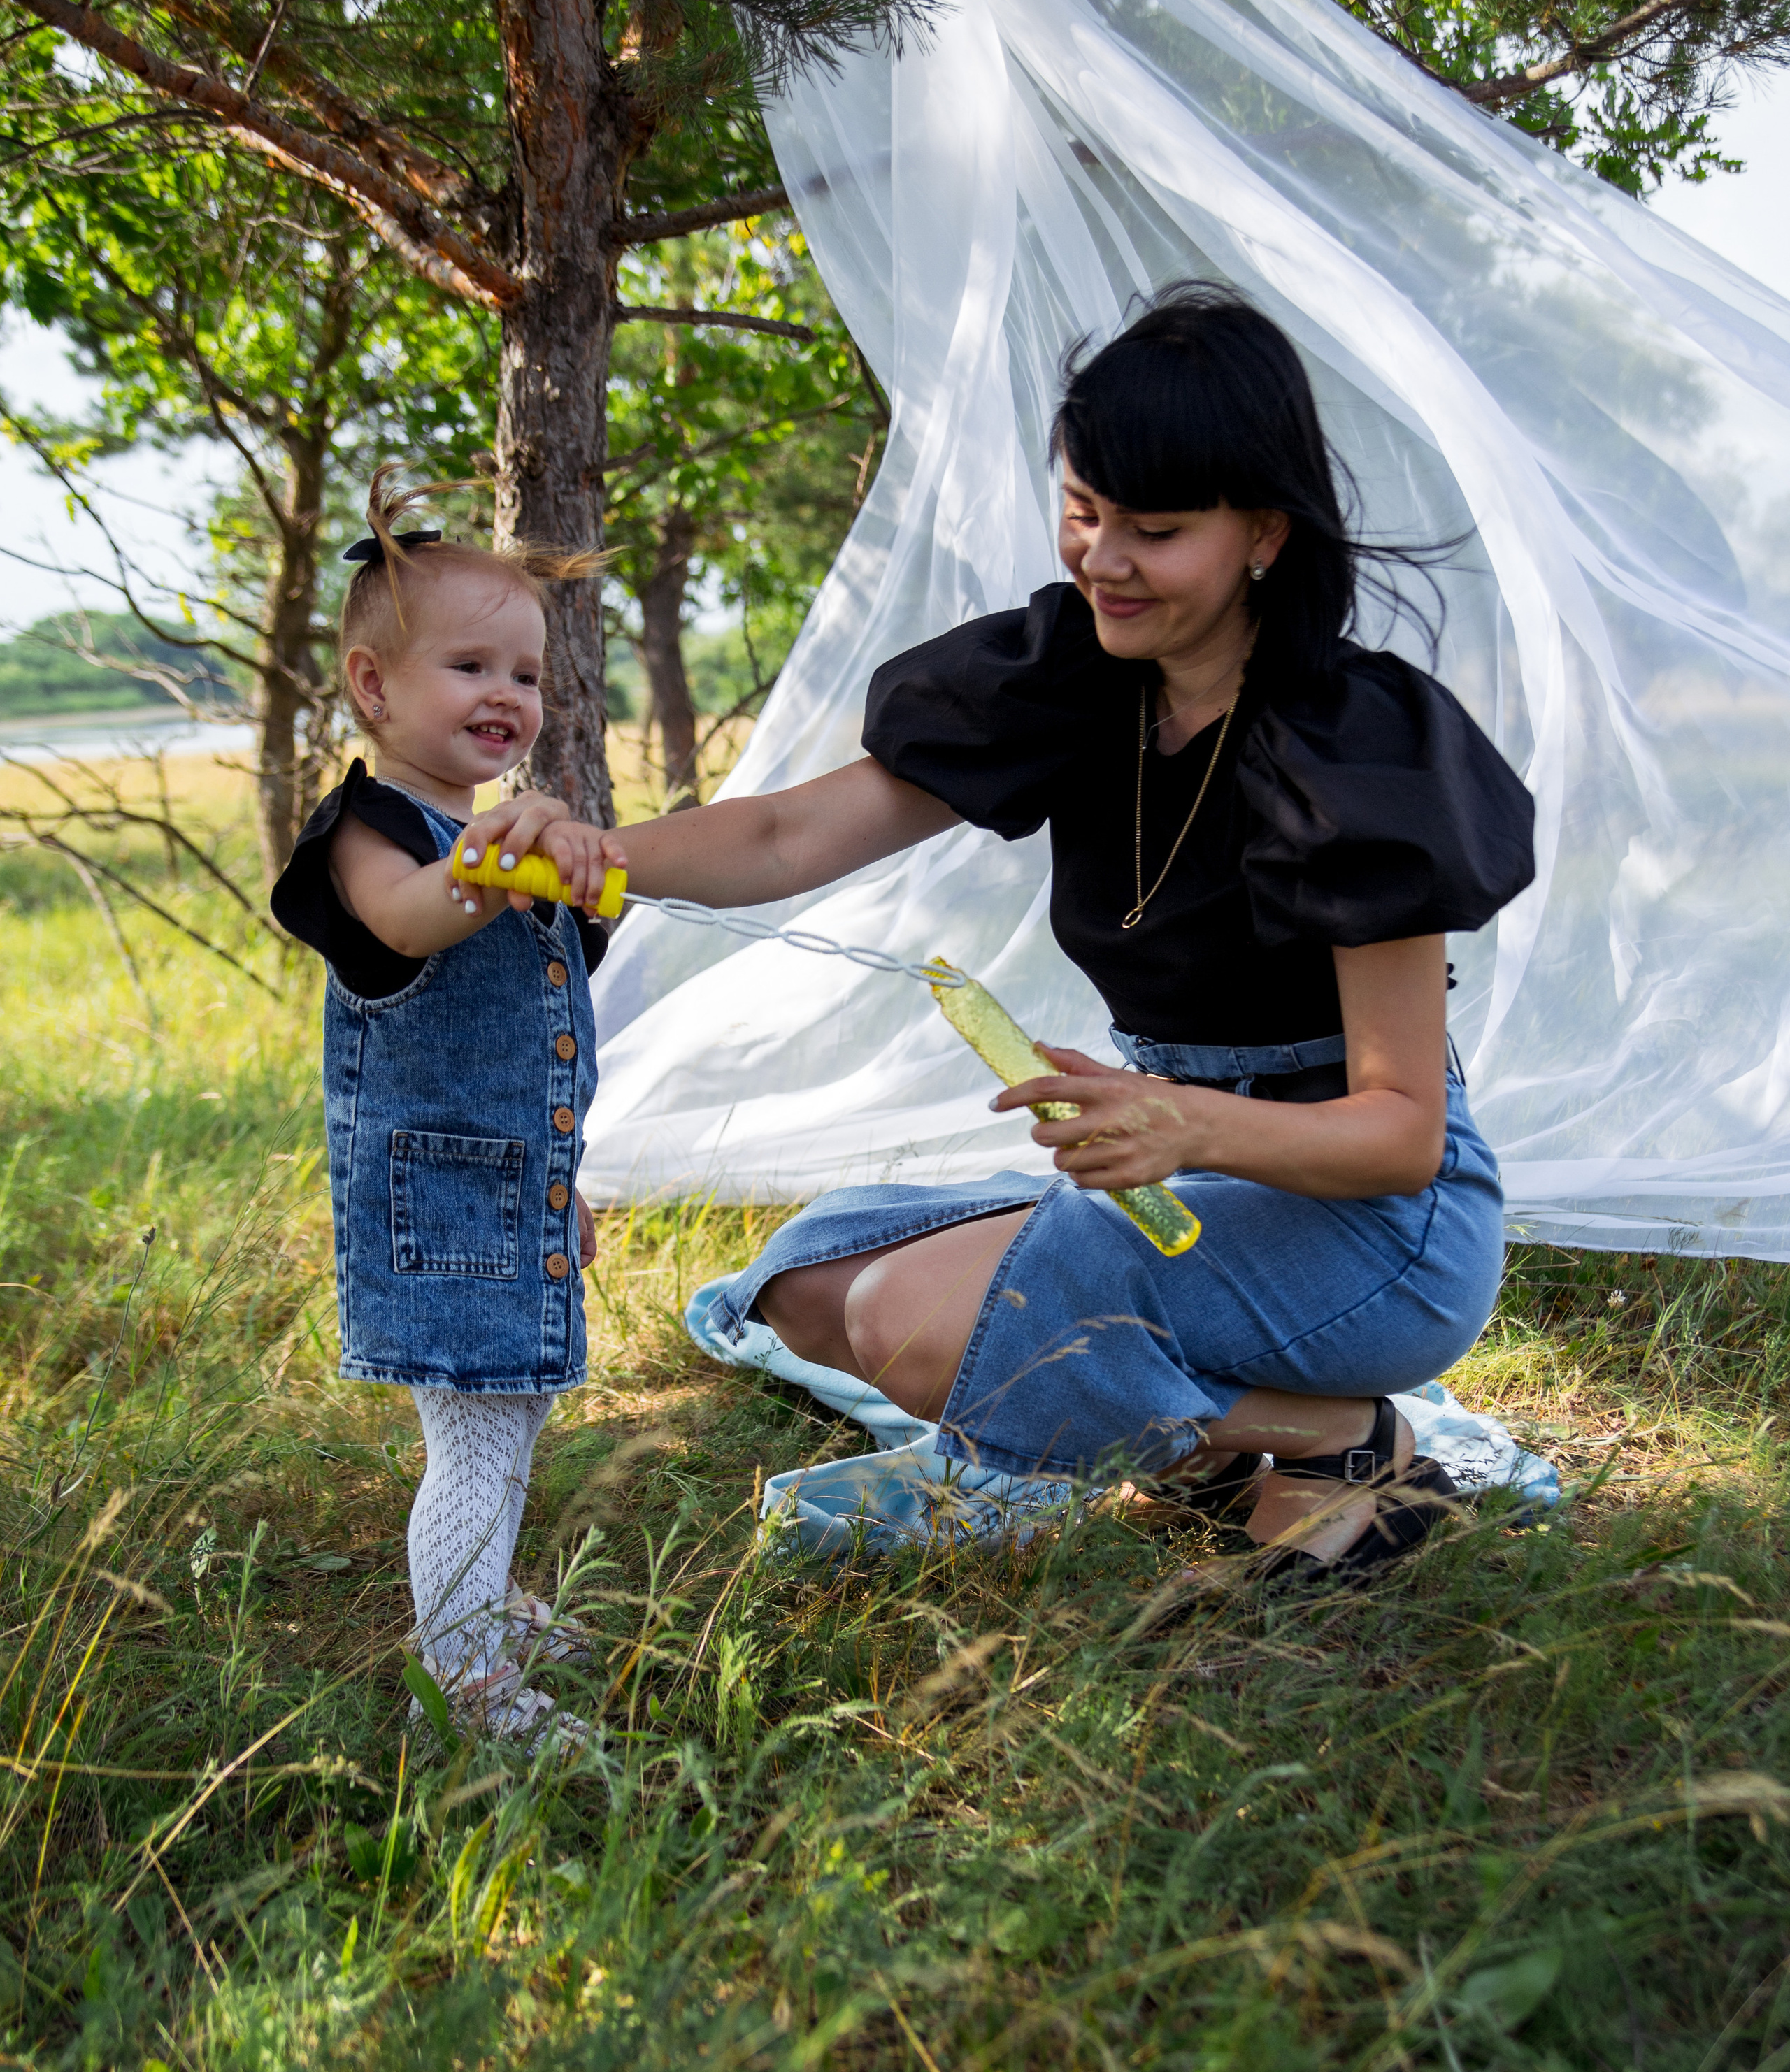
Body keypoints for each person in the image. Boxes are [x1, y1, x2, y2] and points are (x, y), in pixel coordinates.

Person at [484, 286, 1538, 1578]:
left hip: (1376, 1223)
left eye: (1155, 531)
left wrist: (1181, 1122)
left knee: (919, 1324)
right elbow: (783, 840)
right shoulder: (1079, 683)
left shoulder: (1357, 751)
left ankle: (1340, 1437)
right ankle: (1231, 1445)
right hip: (1183, 1179)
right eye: (1084, 511)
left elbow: (1401, 1134)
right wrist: (585, 861)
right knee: (810, 1288)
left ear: (1264, 532)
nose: (1102, 560)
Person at [271, 472, 620, 1742]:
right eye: (471, 665)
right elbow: (405, 922)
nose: (507, 697)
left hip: (505, 1184)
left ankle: (477, 1597)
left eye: (525, 675)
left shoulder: (494, 837)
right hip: (431, 1197)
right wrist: (494, 862)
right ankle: (463, 1678)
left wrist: (559, 1180)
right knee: (473, 1435)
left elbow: (541, 1041)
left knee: (510, 1410)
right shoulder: (373, 831)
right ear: (374, 687)